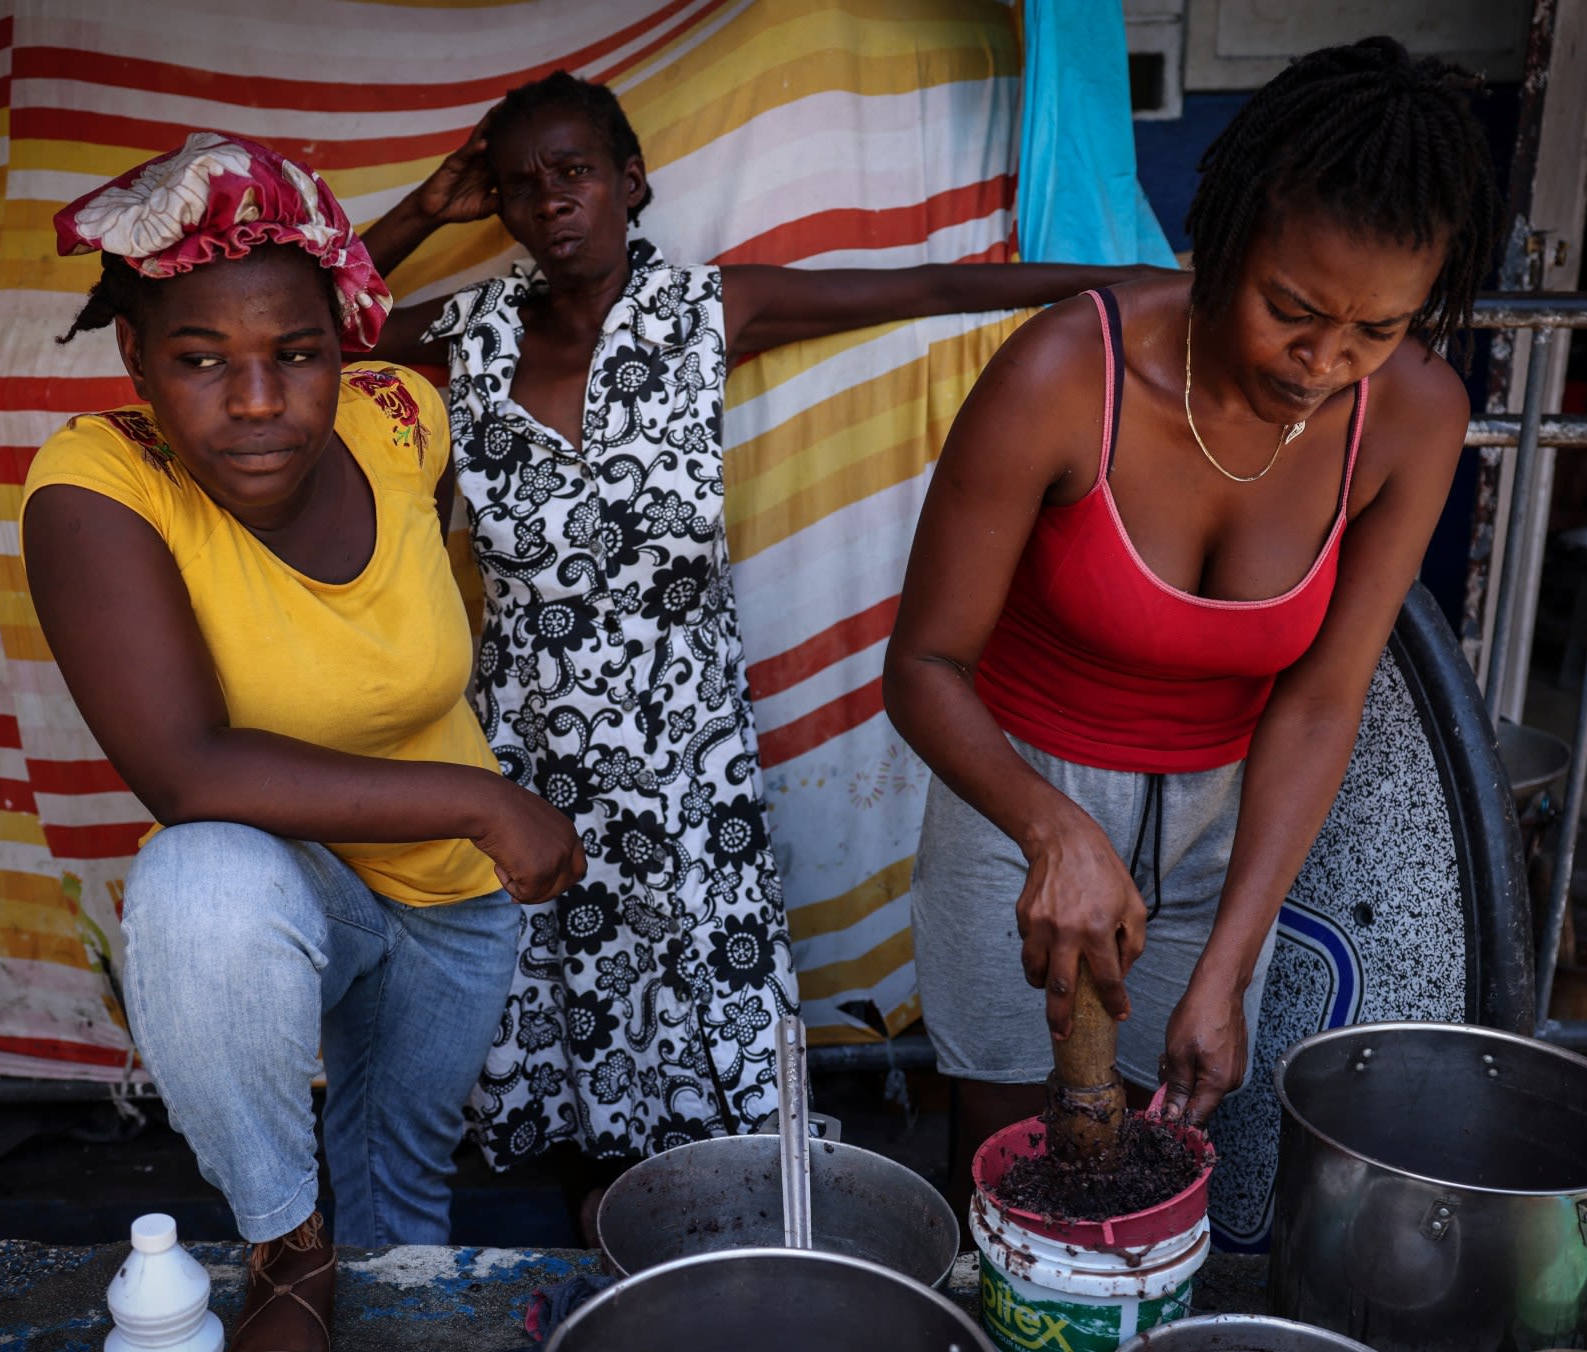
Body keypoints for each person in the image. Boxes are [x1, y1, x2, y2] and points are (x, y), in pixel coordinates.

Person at [360, 71, 1147, 1185]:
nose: (552, 203)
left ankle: (694, 1202)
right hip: (527, 749)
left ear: (631, 183)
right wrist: (424, 212)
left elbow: (930, 287)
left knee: (704, 1005)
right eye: (521, 185)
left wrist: (1144, 289)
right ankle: (596, 1197)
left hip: (690, 754)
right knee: (557, 991)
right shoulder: (471, 337)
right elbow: (305, 329)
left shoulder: (707, 311)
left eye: (576, 172)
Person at [21, 132, 585, 1352]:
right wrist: (482, 798)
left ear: (344, 351)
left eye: (298, 357)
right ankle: (286, 1244)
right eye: (198, 362)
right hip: (310, 883)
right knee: (199, 882)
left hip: (454, 902)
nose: (258, 400)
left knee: (407, 1204)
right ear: (136, 364)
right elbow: (186, 767)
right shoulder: (99, 482)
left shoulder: (400, 420)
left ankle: (403, 1346)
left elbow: (297, 318)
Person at [881, 36, 1499, 1213]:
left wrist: (1232, 956)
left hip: (1228, 821)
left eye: (1375, 331)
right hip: (1012, 793)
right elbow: (923, 666)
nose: (1324, 364)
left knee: (1159, 1168)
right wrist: (1051, 830)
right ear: (1225, 233)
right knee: (1012, 1153)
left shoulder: (1416, 417)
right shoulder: (1066, 373)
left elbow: (1322, 702)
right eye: (1291, 310)